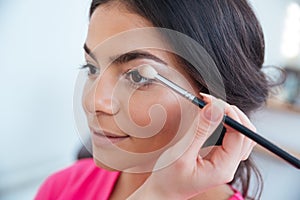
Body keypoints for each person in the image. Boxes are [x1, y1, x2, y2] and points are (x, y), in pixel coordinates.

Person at [35, 0, 271, 199]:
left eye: (137, 76)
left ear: (215, 102)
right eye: (92, 67)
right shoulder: (61, 187)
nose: (93, 102)